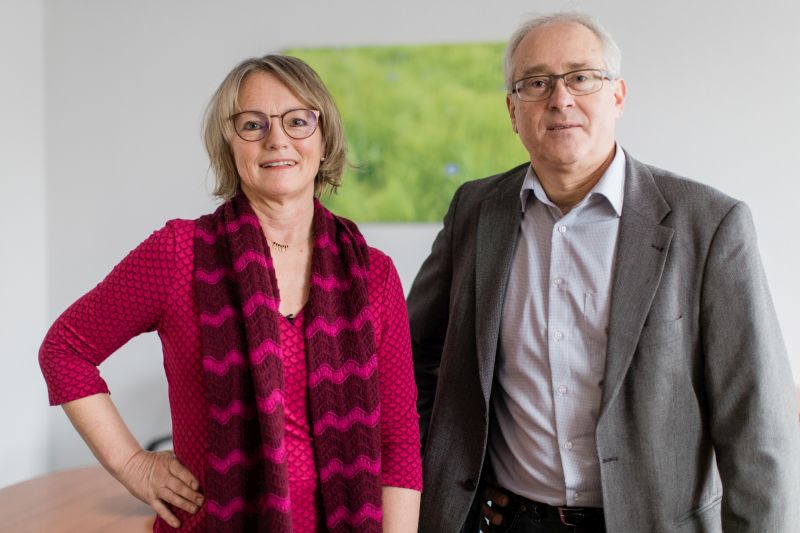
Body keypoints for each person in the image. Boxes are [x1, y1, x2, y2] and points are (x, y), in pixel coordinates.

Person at [408, 11, 800, 533]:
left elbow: (757, 426)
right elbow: (415, 366)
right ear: (512, 110)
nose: (560, 98)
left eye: (581, 77)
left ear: (617, 96)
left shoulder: (708, 224)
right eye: (536, 83)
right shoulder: (476, 211)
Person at [39, 54, 422, 532]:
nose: (277, 138)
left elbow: (399, 440)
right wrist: (133, 465)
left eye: (298, 121)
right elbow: (65, 350)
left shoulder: (372, 274)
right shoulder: (180, 253)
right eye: (253, 124)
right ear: (229, 143)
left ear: (324, 140)